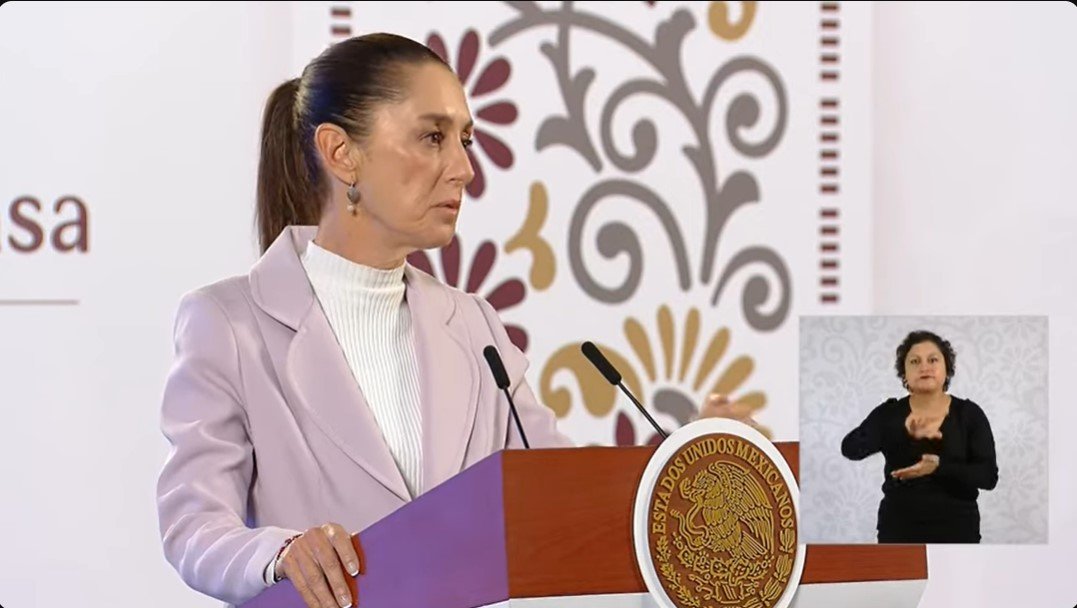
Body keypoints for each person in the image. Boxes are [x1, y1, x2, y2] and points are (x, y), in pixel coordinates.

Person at [155, 32, 763, 608]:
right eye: (432, 137)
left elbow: (563, 494)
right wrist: (281, 552)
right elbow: (194, 525)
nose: (464, 168)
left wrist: (690, 462)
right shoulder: (227, 323)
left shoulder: (475, 326)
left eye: (465, 140)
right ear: (341, 153)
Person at [840, 330, 999, 543]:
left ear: (947, 368)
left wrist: (939, 466)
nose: (924, 367)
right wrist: (893, 427)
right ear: (904, 373)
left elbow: (988, 477)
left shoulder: (969, 414)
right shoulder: (889, 413)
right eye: (915, 361)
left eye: (933, 360)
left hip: (958, 530)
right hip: (898, 531)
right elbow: (850, 449)